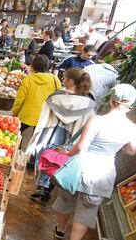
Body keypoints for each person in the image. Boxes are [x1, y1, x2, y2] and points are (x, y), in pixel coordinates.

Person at [53, 84, 136, 240]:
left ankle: (60, 230)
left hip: (81, 166)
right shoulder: (133, 129)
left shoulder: (97, 120)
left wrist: (66, 154)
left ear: (111, 100)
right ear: (131, 103)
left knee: (67, 199)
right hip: (104, 170)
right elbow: (131, 151)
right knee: (86, 210)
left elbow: (82, 146)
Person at [26, 68, 96, 203]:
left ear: (70, 81)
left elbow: (44, 117)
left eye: (64, 78)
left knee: (47, 159)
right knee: (60, 162)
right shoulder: (89, 104)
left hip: (51, 133)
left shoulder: (55, 98)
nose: (62, 80)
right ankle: (49, 188)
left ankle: (41, 186)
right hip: (70, 138)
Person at [12, 55, 62, 135]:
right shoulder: (54, 80)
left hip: (26, 115)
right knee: (37, 140)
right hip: (45, 116)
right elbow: (59, 98)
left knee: (16, 135)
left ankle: (18, 147)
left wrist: (14, 112)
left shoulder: (28, 79)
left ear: (33, 66)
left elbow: (20, 99)